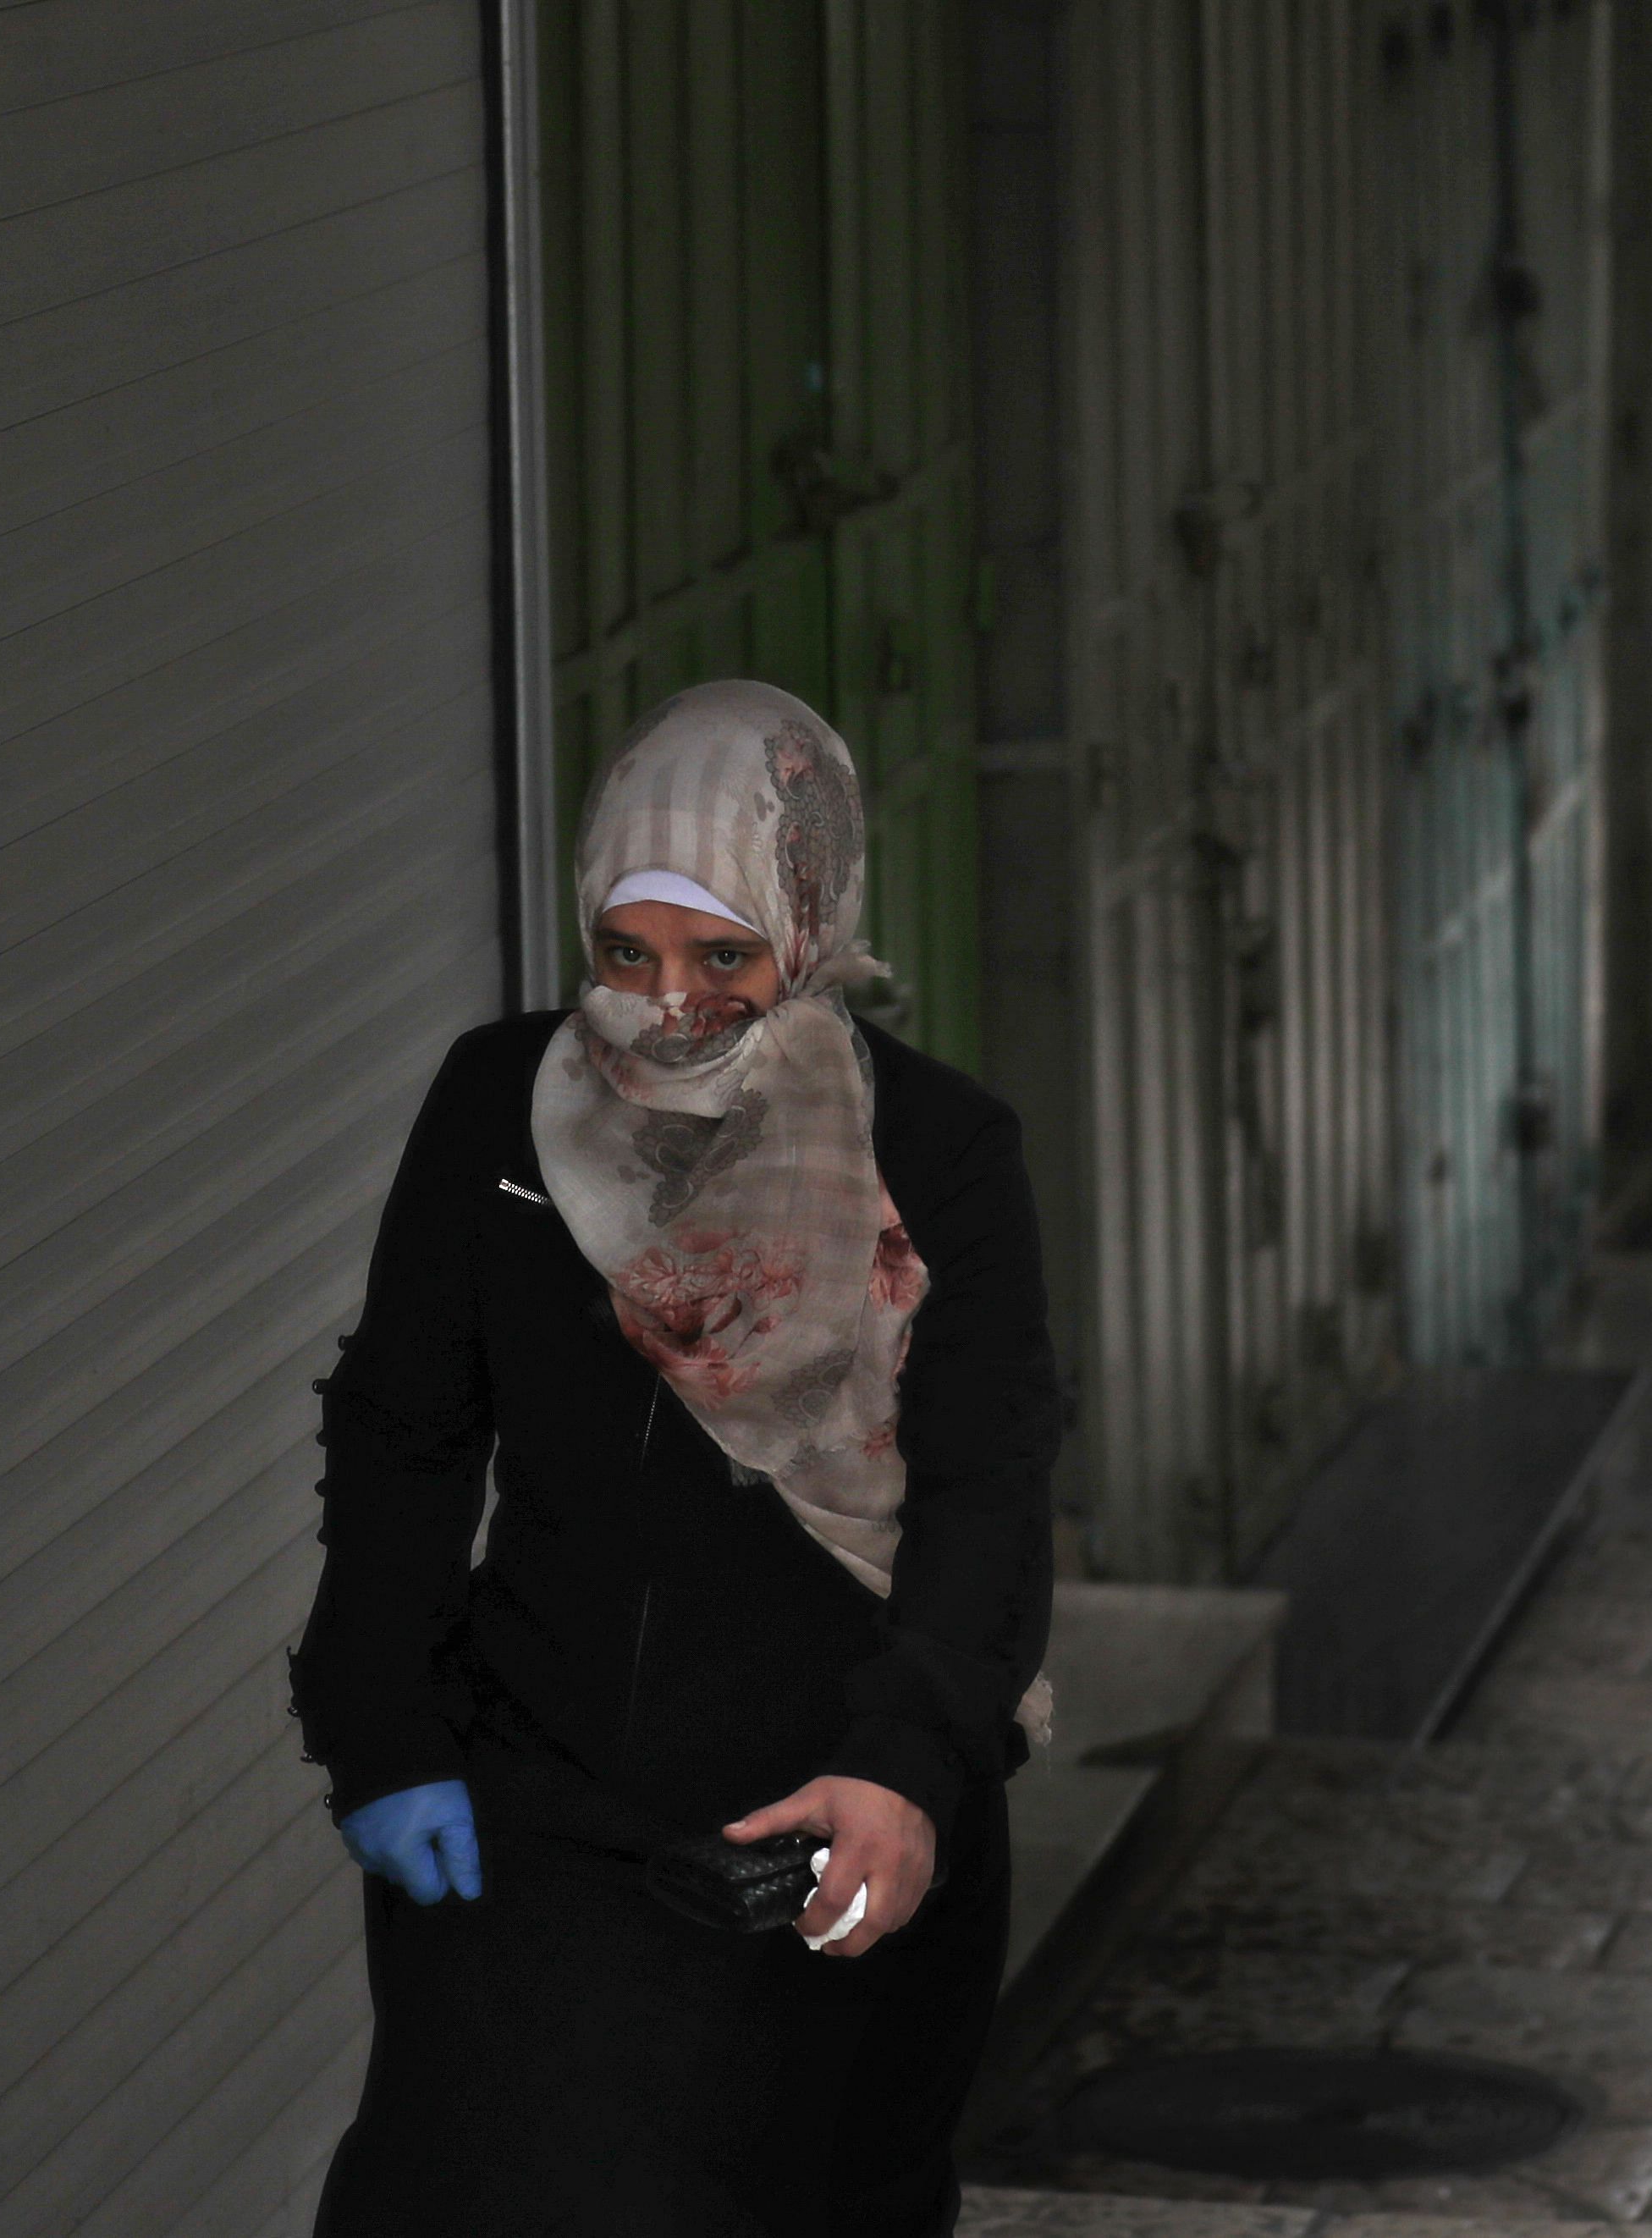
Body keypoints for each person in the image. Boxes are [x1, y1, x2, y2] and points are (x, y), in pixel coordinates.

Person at [291, 681, 1065, 2235]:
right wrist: (381, 1717)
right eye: (624, 954)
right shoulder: (497, 1112)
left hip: (823, 1808)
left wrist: (910, 1764)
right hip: (545, 1796)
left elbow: (985, 1490)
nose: (667, 1004)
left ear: (815, 922)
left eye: (724, 955)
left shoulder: (939, 1155)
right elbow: (403, 1434)